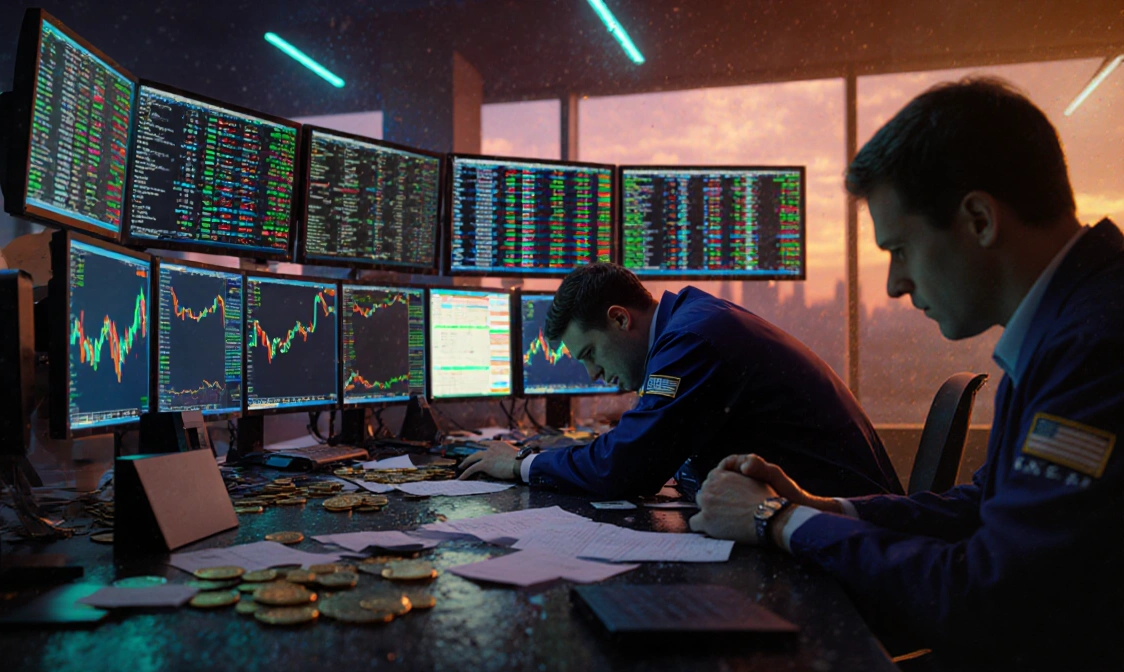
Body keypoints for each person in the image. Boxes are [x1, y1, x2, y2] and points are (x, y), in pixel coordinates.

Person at [687, 77, 1124, 670]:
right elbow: (984, 506)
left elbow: (990, 597)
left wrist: (775, 519)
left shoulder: (1097, 344)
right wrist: (821, 508)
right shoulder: (1072, 319)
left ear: (978, 219)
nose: (894, 285)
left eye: (900, 249)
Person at [458, 262, 902, 500]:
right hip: (828, 516)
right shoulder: (692, 320)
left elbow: (625, 468)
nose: (593, 375)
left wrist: (521, 464)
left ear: (619, 318)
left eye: (590, 354)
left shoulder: (691, 339)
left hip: (846, 538)